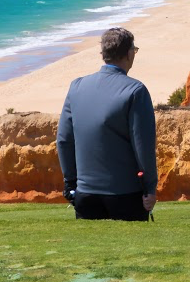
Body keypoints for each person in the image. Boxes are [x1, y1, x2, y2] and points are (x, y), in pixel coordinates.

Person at [56, 27, 158, 221]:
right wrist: (150, 188)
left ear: (103, 54)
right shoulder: (136, 90)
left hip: (85, 194)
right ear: (129, 53)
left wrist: (70, 185)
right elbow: (143, 146)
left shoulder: (76, 87)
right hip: (126, 195)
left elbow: (64, 140)